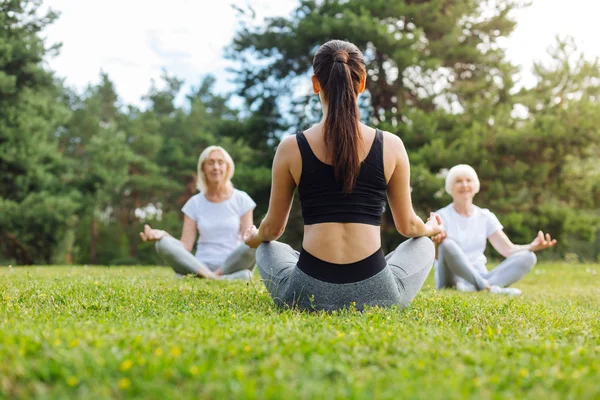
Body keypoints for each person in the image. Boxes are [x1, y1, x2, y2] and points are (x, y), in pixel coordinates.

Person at [242, 39, 442, 311]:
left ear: (316, 84)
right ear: (361, 84)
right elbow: (409, 227)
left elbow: (272, 230)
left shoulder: (291, 147)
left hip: (305, 296)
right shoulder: (391, 145)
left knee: (266, 247)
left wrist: (253, 237)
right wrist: (430, 229)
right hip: (378, 295)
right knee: (423, 245)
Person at [432, 164, 557, 295]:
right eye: (458, 181)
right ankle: (486, 288)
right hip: (452, 279)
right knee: (446, 244)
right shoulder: (441, 216)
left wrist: (532, 246)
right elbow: (438, 256)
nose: (464, 184)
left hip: (482, 275)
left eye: (469, 180)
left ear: (475, 186)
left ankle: (481, 287)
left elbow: (508, 249)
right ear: (450, 187)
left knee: (528, 256)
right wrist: (437, 244)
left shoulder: (485, 216)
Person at [140, 146, 256, 280]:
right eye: (211, 162)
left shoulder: (242, 200)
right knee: (162, 244)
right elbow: (185, 246)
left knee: (256, 241)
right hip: (200, 264)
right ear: (203, 169)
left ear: (228, 168)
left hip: (231, 264)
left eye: (220, 162)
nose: (216, 167)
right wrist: (163, 235)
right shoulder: (194, 203)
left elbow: (247, 240)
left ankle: (207, 277)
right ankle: (218, 277)